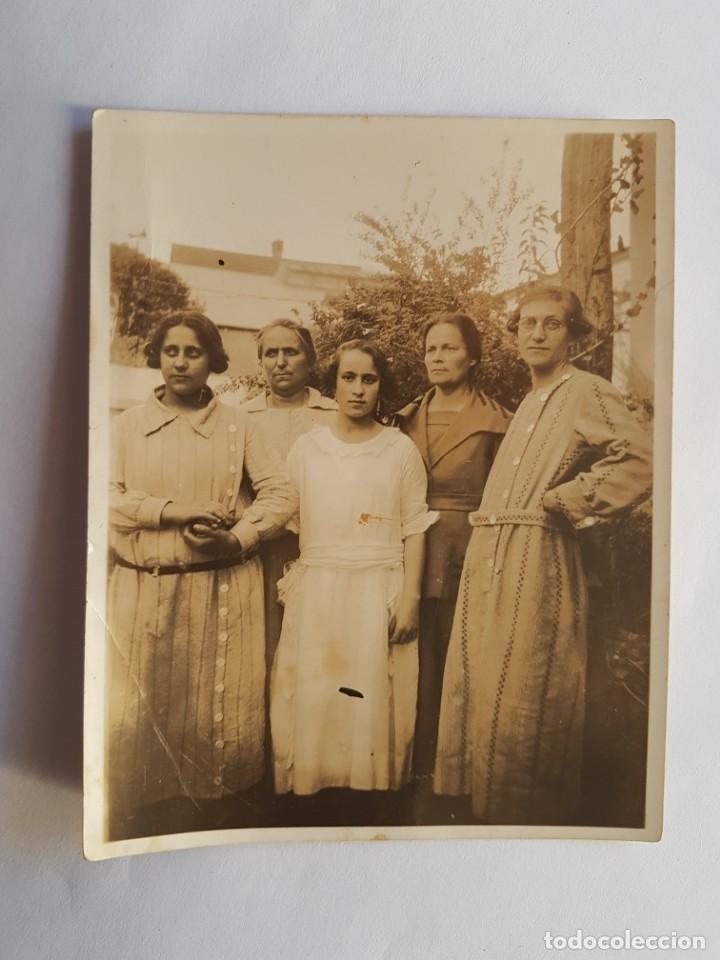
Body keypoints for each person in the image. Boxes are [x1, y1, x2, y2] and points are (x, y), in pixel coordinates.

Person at [434, 285, 652, 825]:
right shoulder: (529, 401)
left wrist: (570, 499)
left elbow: (642, 459)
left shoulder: (587, 390)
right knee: (487, 679)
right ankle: (486, 807)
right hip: (493, 551)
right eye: (527, 324)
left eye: (551, 324)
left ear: (573, 335)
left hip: (540, 553)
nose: (536, 333)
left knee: (530, 686)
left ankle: (527, 817)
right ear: (513, 336)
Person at [107, 311, 295, 839]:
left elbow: (281, 494)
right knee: (140, 713)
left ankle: (216, 821)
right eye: (172, 352)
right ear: (157, 358)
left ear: (212, 360)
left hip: (219, 592)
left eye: (194, 352)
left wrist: (239, 537)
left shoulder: (240, 426)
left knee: (211, 719)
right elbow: (103, 497)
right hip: (143, 589)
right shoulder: (127, 425)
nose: (182, 363)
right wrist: (171, 510)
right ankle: (139, 826)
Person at [270, 340, 438, 800]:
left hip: (379, 588)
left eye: (369, 379)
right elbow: (290, 517)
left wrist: (410, 600)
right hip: (321, 587)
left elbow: (415, 527)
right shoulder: (307, 449)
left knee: (373, 699)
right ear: (333, 383)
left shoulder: (399, 449)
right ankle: (313, 790)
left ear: (382, 386)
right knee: (316, 690)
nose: (359, 389)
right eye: (349, 377)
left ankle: (371, 795)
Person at [393, 313, 510, 795]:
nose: (437, 357)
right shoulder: (402, 418)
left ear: (474, 357)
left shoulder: (498, 422)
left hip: (467, 550)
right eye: (431, 349)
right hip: (409, 549)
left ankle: (454, 771)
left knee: (457, 657)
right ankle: (410, 765)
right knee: (411, 659)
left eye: (449, 348)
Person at [240, 319, 336, 671]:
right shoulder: (242, 418)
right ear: (261, 362)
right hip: (259, 552)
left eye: (290, 352)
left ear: (309, 360)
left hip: (318, 549)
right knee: (262, 647)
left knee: (314, 650)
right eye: (271, 353)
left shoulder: (334, 416)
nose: (280, 361)